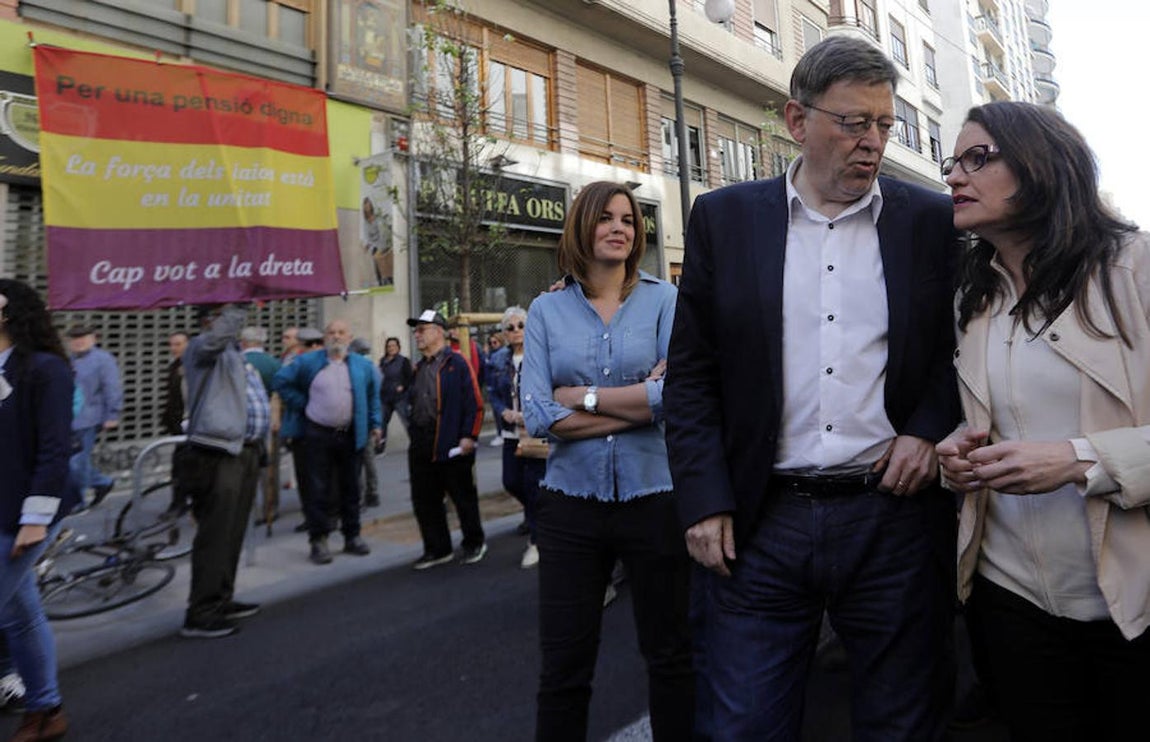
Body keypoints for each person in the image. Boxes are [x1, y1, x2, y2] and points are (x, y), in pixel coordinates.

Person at [663, 36, 960, 740]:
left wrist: (924, 427)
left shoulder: (930, 222)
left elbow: (959, 350)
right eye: (853, 122)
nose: (873, 142)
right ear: (798, 121)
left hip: (891, 517)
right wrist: (703, 502)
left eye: (885, 125)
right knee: (743, 723)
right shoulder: (724, 219)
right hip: (762, 519)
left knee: (902, 720)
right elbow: (694, 374)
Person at [936, 101, 1150, 742]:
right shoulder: (975, 296)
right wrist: (955, 455)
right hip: (1011, 604)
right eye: (953, 162)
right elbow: (984, 424)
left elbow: (1067, 448)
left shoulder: (1134, 268)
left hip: (1132, 607)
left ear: (1041, 164)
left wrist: (1081, 460)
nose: (953, 177)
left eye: (978, 158)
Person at [521, 181, 688, 741]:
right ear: (582, 226)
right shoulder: (545, 310)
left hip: (654, 499)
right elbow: (539, 413)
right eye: (606, 217)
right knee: (564, 666)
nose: (620, 227)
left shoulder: (665, 300)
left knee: (669, 656)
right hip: (570, 507)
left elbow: (677, 396)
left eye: (629, 219)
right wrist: (640, 405)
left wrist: (584, 398)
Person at [0, 280, 78, 740]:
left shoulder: (46, 369)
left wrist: (35, 520)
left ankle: (44, 709)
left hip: (23, 515)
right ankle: (46, 710)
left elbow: (54, 450)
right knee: (20, 614)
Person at [179, 304, 269, 639]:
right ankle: (200, 612)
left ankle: (222, 598)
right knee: (215, 535)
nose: (230, 322)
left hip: (242, 451)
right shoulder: (201, 347)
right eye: (221, 315)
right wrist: (239, 303)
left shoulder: (235, 353)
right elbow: (216, 339)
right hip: (215, 453)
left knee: (232, 533)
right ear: (208, 321)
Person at [273, 320, 382, 565]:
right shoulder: (307, 361)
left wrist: (375, 424)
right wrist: (301, 402)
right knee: (317, 488)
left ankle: (352, 536)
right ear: (324, 337)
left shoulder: (362, 365)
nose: (336, 337)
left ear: (350, 337)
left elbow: (373, 396)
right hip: (317, 434)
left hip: (350, 434)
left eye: (341, 332)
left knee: (351, 488)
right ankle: (319, 540)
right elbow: (280, 380)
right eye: (331, 332)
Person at [405, 310, 486, 570]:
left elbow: (475, 403)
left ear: (438, 332)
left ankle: (474, 542)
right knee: (425, 500)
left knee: (462, 497)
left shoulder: (457, 363)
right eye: (416, 330)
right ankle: (437, 548)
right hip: (421, 443)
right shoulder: (417, 368)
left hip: (452, 443)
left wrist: (469, 437)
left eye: (422, 329)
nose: (417, 335)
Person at [486, 306, 542, 568]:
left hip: (534, 432)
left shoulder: (540, 355)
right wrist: (503, 412)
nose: (516, 331)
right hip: (511, 433)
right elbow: (493, 394)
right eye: (510, 327)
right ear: (504, 333)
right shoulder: (497, 359)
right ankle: (537, 515)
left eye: (520, 325)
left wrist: (530, 413)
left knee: (533, 484)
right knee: (511, 481)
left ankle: (536, 539)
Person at [67, 324, 122, 509]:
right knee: (70, 461)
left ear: (93, 339)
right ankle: (102, 482)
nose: (78, 342)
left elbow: (111, 387)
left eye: (83, 337)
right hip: (67, 419)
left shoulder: (103, 359)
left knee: (77, 462)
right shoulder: (67, 359)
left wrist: (112, 413)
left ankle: (78, 500)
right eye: (75, 338)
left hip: (88, 418)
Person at [349, 337, 383, 508]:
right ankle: (373, 492)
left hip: (359, 421)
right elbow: (376, 396)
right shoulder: (373, 367)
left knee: (357, 462)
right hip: (369, 420)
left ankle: (360, 497)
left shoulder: (357, 367)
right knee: (369, 459)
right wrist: (376, 423)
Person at [377, 336, 413, 454]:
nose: (391, 348)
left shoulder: (404, 361)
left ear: (398, 347)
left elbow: (410, 378)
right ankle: (380, 448)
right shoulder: (383, 361)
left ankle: (416, 444)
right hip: (385, 397)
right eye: (389, 346)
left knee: (407, 421)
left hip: (400, 398)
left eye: (393, 346)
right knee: (381, 422)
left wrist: (403, 386)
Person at [160, 331, 189, 436]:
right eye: (171, 345)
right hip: (175, 419)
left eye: (178, 344)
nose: (173, 348)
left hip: (187, 420)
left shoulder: (193, 366)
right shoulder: (174, 366)